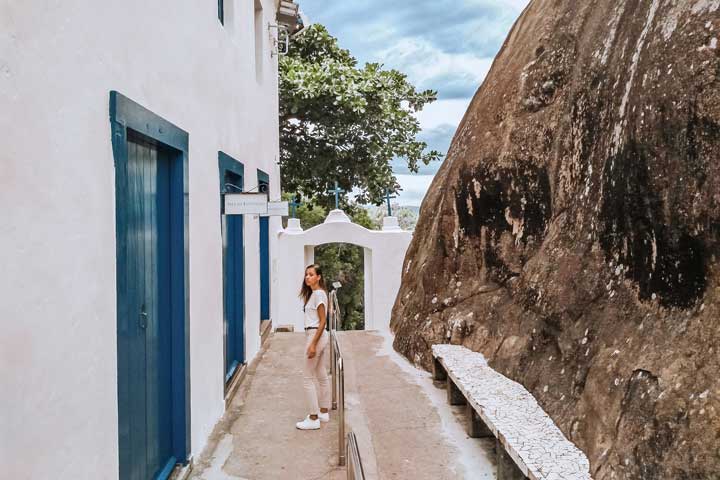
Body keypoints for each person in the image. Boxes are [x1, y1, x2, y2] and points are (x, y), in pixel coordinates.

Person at [295, 264, 331, 430]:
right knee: (321, 373)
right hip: (316, 335)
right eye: (306, 275)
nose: (307, 277)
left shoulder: (318, 294)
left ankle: (314, 417)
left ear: (319, 277)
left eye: (311, 274)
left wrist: (313, 345)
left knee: (307, 378)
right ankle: (323, 411)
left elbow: (323, 321)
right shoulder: (314, 294)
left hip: (315, 335)